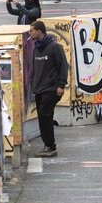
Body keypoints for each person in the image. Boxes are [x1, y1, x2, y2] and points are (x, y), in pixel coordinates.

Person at [28, 20, 68, 158]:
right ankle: (48, 145)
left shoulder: (55, 47)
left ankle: (50, 146)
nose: (30, 33)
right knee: (43, 117)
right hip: (39, 89)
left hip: (51, 89)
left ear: (39, 31)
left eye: (31, 30)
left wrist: (61, 85)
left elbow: (63, 67)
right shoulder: (36, 48)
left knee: (46, 116)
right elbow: (35, 69)